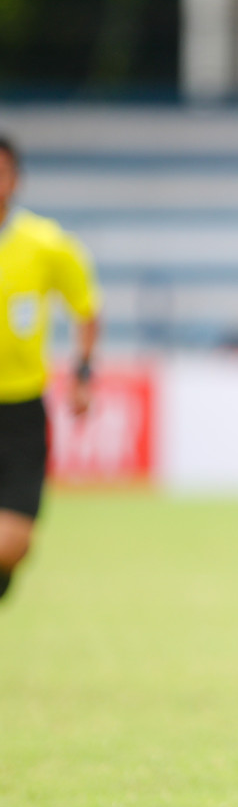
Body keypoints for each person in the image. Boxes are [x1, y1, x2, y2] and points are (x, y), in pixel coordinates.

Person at [0, 135, 99, 603]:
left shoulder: (46, 244)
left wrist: (81, 373)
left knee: (13, 545)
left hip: (19, 412)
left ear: (16, 179)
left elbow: (85, 308)